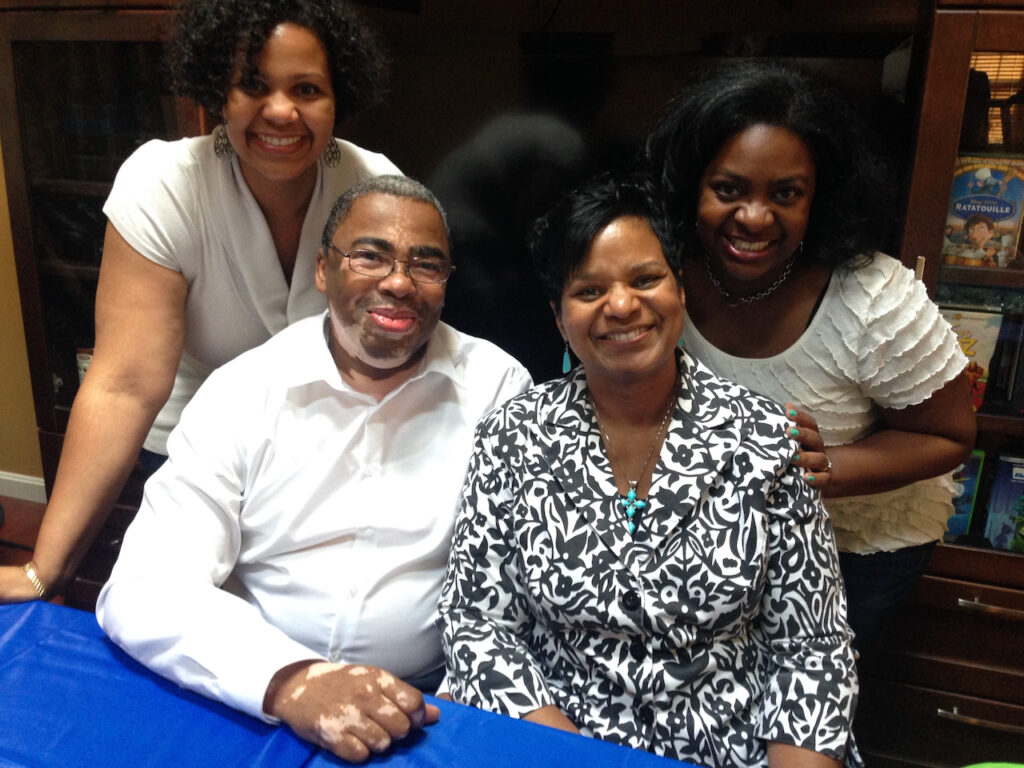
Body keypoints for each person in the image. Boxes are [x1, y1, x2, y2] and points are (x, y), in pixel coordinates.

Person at [96, 175, 532, 762]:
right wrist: (292, 680)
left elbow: (518, 578)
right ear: (324, 270)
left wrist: (467, 690)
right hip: (256, 699)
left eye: (426, 265)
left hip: (434, 710)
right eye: (370, 256)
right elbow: (144, 586)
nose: (399, 282)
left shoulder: (497, 389)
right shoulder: (245, 390)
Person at [437, 176, 860, 768]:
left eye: (644, 279)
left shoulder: (764, 438)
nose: (621, 305)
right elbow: (478, 623)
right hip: (554, 743)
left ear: (680, 292)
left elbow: (811, 646)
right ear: (559, 319)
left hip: (732, 747)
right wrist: (564, 754)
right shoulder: (512, 435)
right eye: (589, 290)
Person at [1, 0, 401, 603]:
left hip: (325, 457)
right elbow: (124, 385)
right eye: (253, 85)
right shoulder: (164, 185)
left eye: (307, 88)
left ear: (338, 96)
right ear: (218, 90)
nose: (281, 111)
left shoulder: (377, 191)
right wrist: (43, 572)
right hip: (188, 456)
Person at [642, 61, 976, 667]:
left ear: (819, 196)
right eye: (729, 189)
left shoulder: (874, 298)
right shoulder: (660, 273)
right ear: (692, 185)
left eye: (786, 194)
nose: (754, 217)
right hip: (724, 536)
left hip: (862, 542)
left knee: (805, 691)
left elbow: (951, 434)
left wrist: (828, 470)